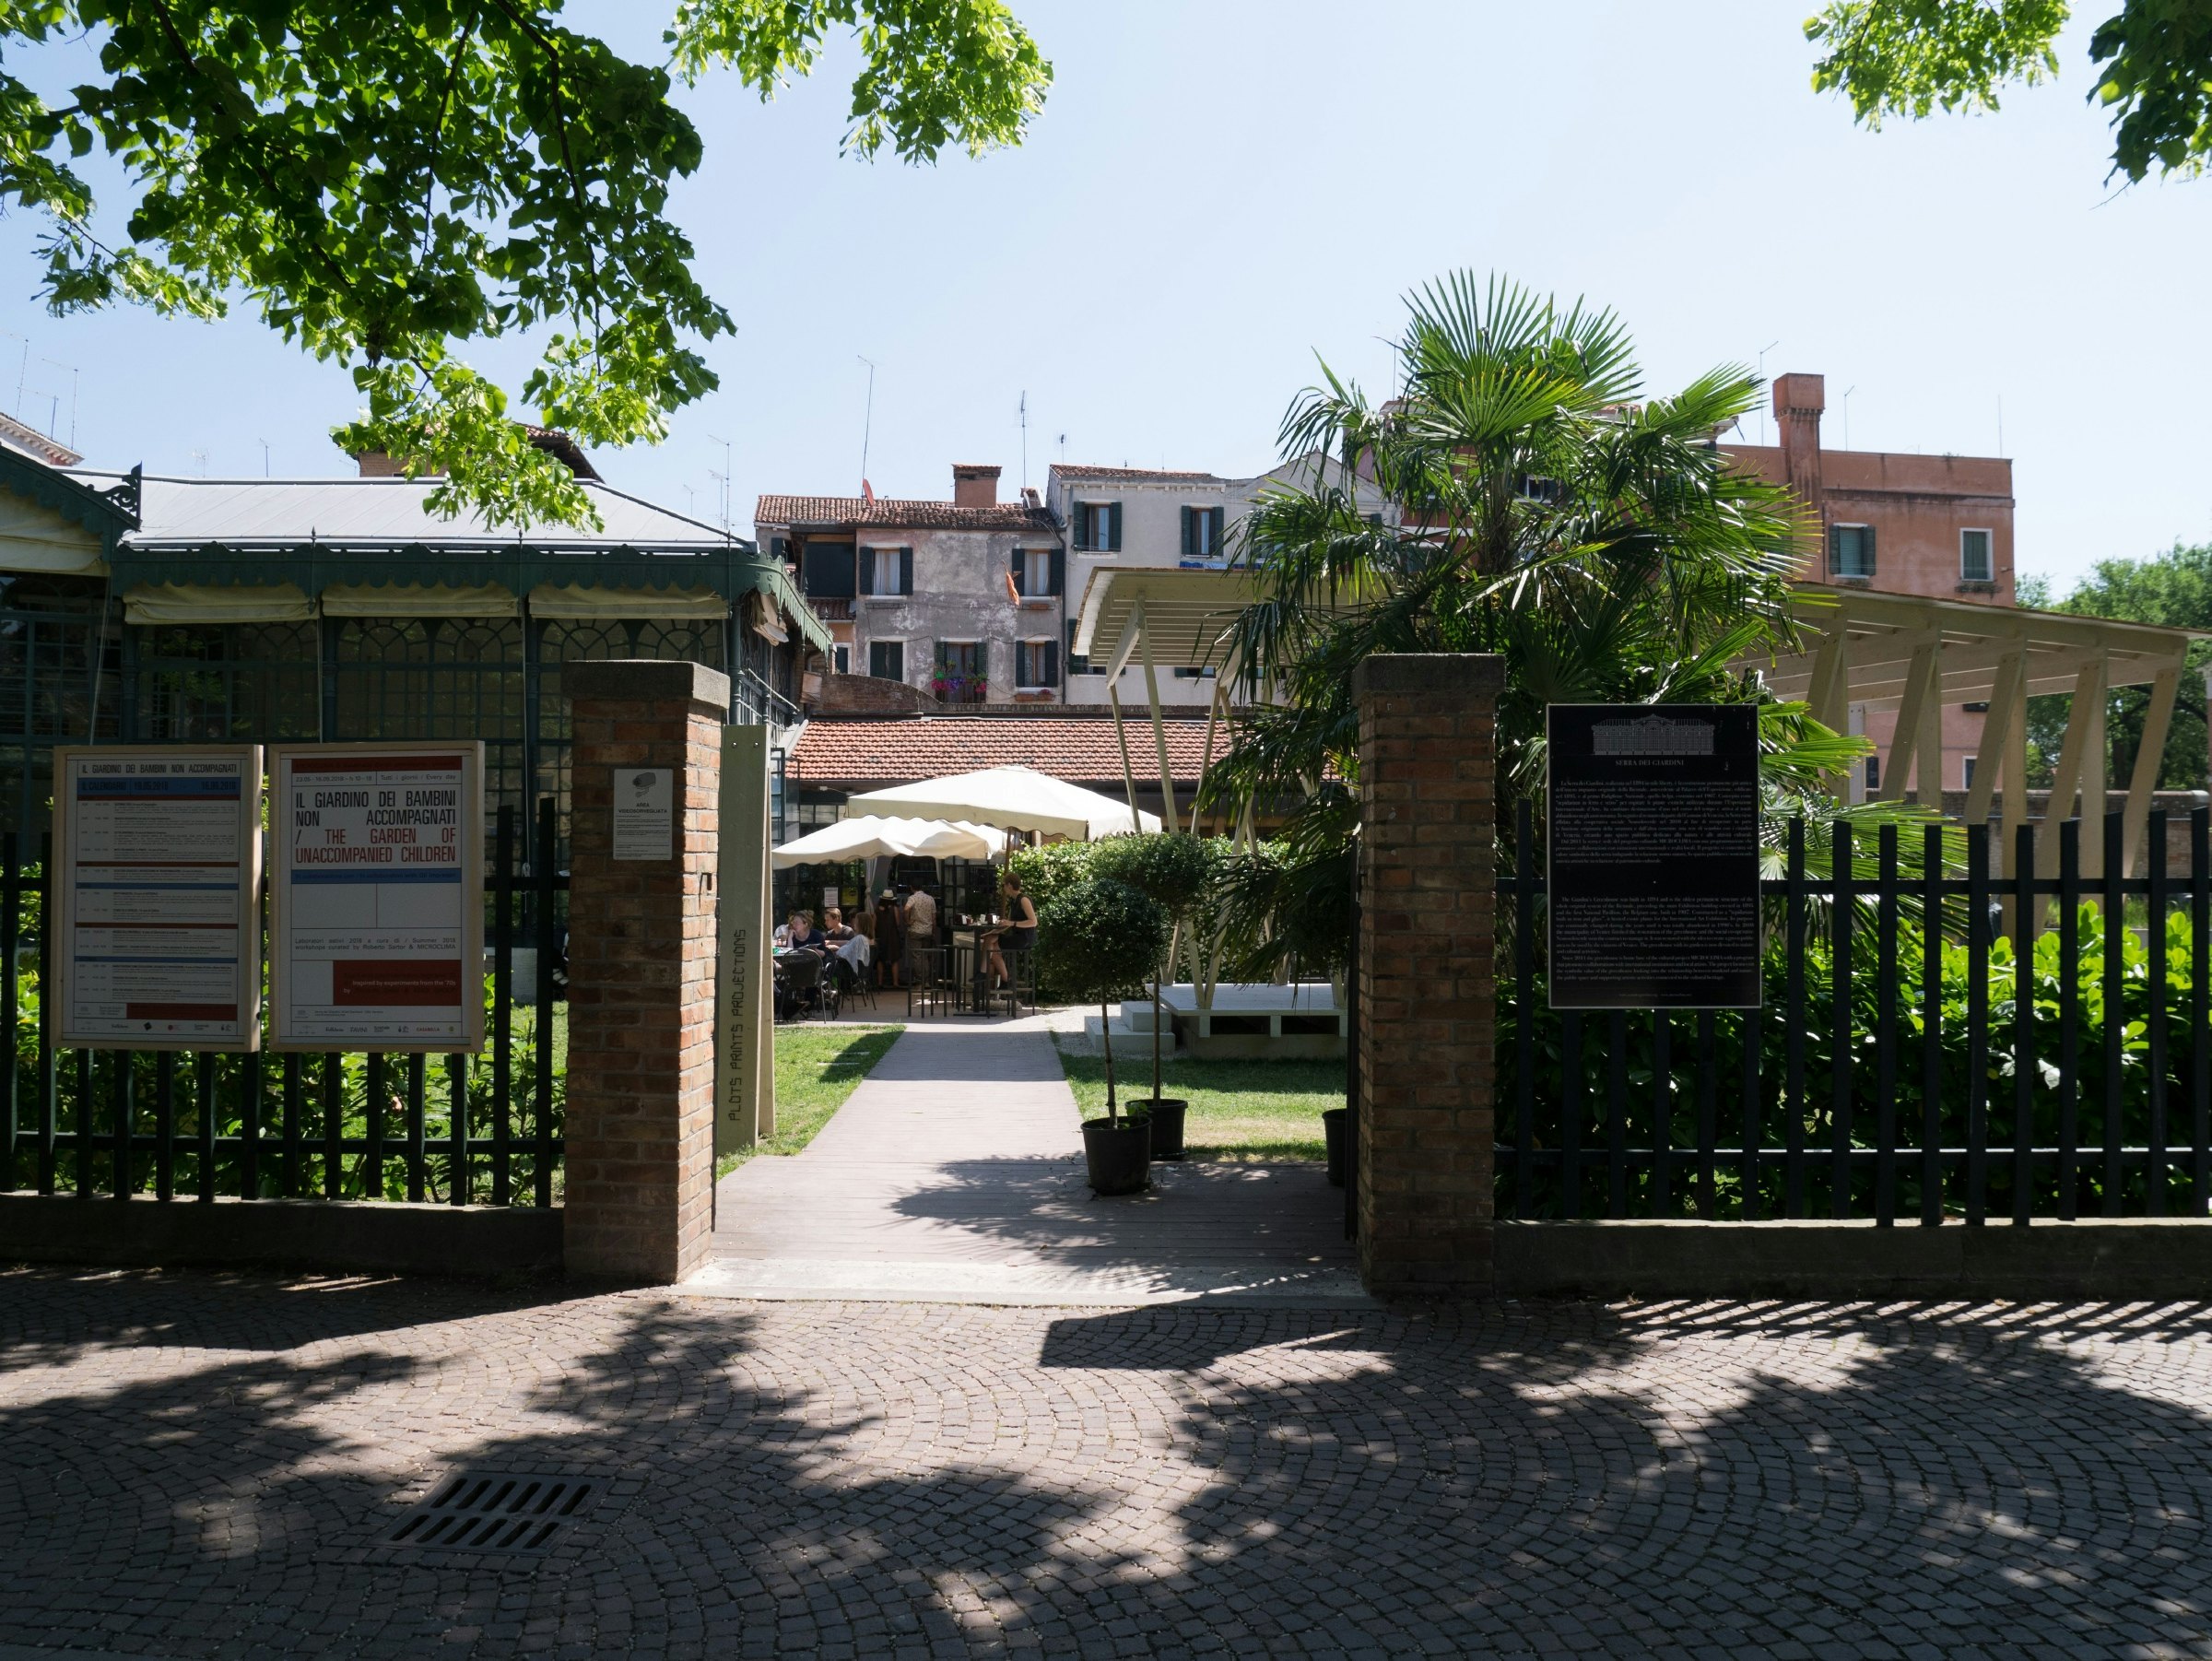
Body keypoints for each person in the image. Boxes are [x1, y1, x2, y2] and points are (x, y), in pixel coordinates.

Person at [982, 872, 1038, 987]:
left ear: (1010, 885)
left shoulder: (1024, 899)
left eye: (1004, 885)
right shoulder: (1014, 901)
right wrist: (993, 932)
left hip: (1025, 938)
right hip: (1017, 936)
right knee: (992, 945)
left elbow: (1033, 922)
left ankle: (987, 974)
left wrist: (1012, 923)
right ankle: (1005, 980)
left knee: (991, 943)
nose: (1003, 888)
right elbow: (1008, 924)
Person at [901, 882, 938, 983]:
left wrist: (907, 921)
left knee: (917, 955)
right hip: (927, 931)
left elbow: (906, 909)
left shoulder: (912, 898)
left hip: (915, 930)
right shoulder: (930, 899)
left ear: (911, 887)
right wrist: (933, 931)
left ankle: (920, 979)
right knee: (925, 955)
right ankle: (926, 980)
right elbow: (934, 918)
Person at [872, 889, 905, 988]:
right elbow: (898, 923)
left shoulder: (877, 909)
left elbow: (873, 925)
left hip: (880, 936)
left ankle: (880, 982)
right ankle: (895, 982)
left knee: (880, 959)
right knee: (894, 959)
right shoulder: (895, 908)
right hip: (893, 936)